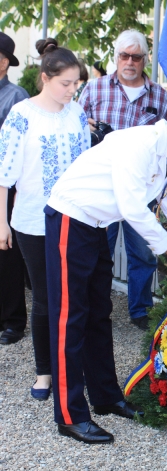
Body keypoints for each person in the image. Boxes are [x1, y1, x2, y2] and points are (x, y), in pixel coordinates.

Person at [44, 96, 167, 445]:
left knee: (99, 314)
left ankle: (106, 397)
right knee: (70, 319)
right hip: (72, 218)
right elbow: (132, 206)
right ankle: (70, 416)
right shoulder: (141, 144)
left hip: (94, 225)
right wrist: (166, 245)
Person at [0, 38, 90, 399]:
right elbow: (4, 173)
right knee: (44, 298)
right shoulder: (22, 115)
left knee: (73, 297)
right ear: (44, 78)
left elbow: (86, 165)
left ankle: (72, 366)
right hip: (33, 222)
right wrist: (1, 222)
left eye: (75, 84)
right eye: (65, 83)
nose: (71, 90)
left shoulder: (77, 113)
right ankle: (44, 373)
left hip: (74, 219)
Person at [78, 29, 167, 331]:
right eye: (124, 55)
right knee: (96, 252)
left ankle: (141, 309)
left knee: (142, 252)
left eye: (136, 56)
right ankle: (94, 306)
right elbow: (75, 131)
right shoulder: (94, 89)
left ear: (145, 59)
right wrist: (89, 129)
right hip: (103, 187)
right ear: (115, 57)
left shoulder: (159, 96)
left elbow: (164, 145)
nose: (130, 61)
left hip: (140, 188)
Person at [0, 32, 29, 345]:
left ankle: (13, 322)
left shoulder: (16, 96)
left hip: (6, 185)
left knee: (6, 257)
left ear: (4, 61)